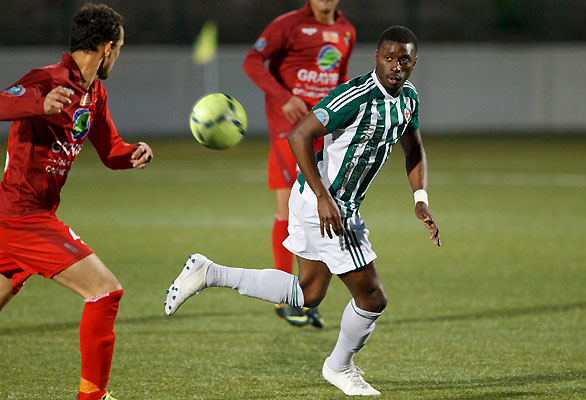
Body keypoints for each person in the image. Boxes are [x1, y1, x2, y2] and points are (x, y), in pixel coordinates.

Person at [165, 25, 440, 396]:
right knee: (373, 298)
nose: (395, 66)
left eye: (403, 60)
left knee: (308, 294)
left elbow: (414, 150)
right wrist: (325, 197)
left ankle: (209, 272)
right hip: (326, 206)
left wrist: (420, 199)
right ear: (376, 58)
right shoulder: (355, 96)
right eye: (388, 58)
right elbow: (299, 135)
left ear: (413, 63)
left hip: (322, 201)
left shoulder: (408, 98)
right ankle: (339, 367)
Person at [0, 4, 153, 400]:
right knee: (105, 290)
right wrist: (38, 103)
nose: (117, 56)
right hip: (21, 216)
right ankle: (93, 397)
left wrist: (132, 153)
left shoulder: (94, 93)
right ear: (106, 48)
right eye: (118, 49)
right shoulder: (46, 79)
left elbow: (110, 149)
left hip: (27, 217)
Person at [243, 0, 356, 328]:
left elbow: (341, 77)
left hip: (324, 129)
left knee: (317, 210)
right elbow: (252, 62)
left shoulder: (346, 31)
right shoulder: (287, 24)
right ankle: (284, 298)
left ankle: (304, 296)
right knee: (287, 208)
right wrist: (284, 98)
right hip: (288, 130)